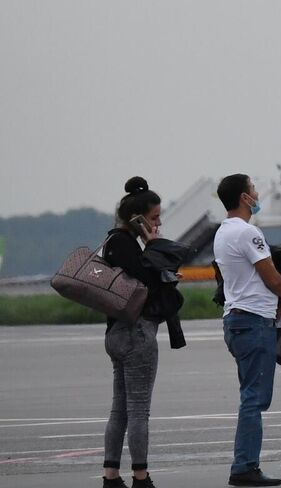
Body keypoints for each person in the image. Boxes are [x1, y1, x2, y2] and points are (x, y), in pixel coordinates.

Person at [213, 173, 281, 488]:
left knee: (250, 393)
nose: (257, 194)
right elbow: (270, 275)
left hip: (236, 319)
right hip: (253, 321)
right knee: (254, 398)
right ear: (244, 198)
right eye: (253, 190)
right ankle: (245, 466)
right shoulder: (249, 233)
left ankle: (245, 463)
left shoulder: (223, 233)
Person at [101, 177, 168, 488]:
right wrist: (154, 247)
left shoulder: (111, 242)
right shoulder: (129, 245)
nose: (158, 223)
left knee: (120, 409)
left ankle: (111, 475)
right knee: (139, 410)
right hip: (136, 333)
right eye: (154, 218)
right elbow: (147, 282)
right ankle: (141, 476)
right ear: (137, 219)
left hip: (115, 332)